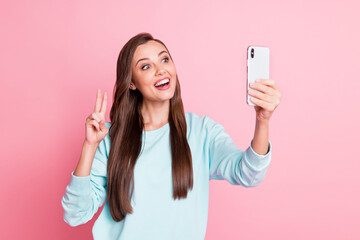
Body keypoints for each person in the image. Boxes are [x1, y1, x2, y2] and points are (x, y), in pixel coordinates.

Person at [61, 32, 282, 240]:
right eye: (146, 66)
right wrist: (89, 147)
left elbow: (248, 175)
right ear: (131, 83)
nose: (160, 70)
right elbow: (75, 214)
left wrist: (263, 120)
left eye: (165, 59)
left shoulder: (201, 131)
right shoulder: (111, 139)